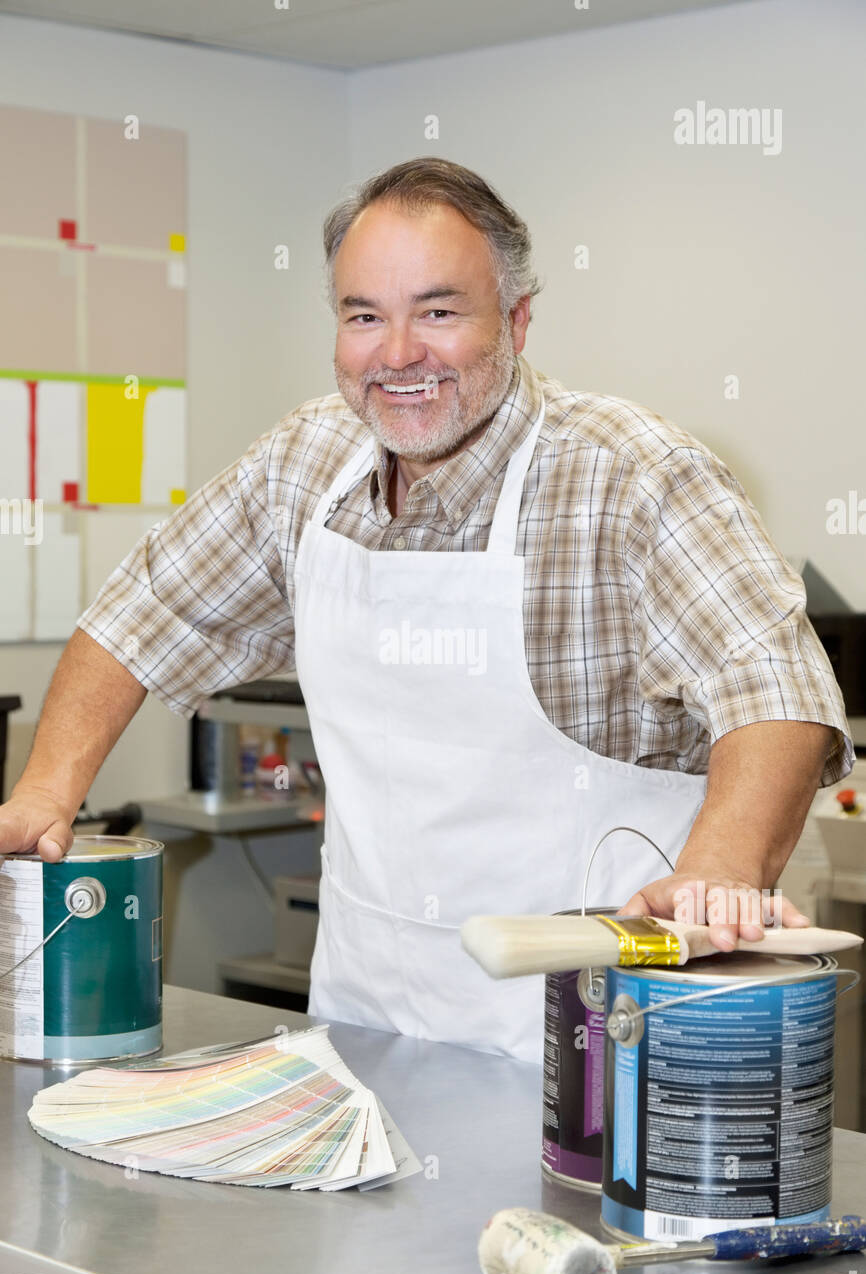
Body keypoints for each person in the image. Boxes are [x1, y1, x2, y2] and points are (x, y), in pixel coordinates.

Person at [0, 158, 852, 1064]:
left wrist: (719, 872)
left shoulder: (633, 476)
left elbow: (777, 695)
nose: (397, 352)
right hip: (368, 1018)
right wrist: (45, 794)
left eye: (438, 312)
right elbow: (143, 614)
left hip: (605, 1036)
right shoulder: (304, 462)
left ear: (517, 321)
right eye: (365, 315)